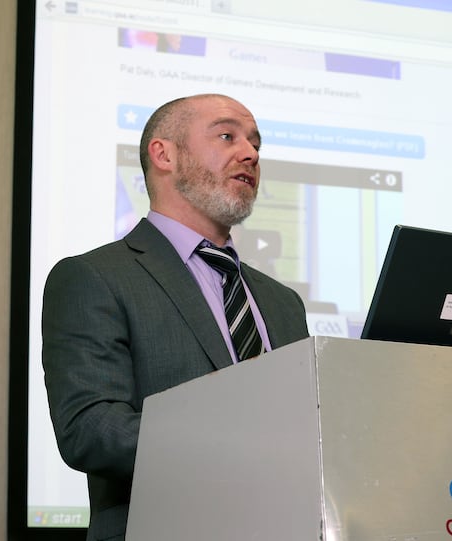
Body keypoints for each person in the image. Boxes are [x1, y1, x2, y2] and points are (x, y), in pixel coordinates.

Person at [42, 94, 309, 541]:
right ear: (163, 154)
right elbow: (89, 429)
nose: (250, 153)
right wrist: (239, 449)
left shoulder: (281, 301)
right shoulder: (95, 277)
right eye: (227, 136)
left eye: (255, 143)